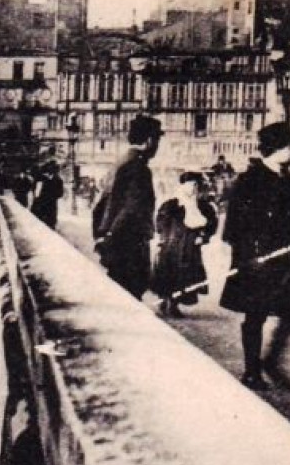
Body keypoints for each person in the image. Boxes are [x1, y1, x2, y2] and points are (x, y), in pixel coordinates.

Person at [220, 121, 290, 389]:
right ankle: (251, 371)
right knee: (255, 315)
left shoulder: (289, 181)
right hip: (257, 261)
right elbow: (233, 227)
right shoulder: (249, 181)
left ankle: (270, 360)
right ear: (278, 148)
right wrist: (251, 257)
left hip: (288, 261)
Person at [92, 113, 162, 298]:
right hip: (129, 249)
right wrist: (113, 239)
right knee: (130, 297)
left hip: (116, 247)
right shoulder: (139, 168)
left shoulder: (119, 162)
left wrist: (102, 237)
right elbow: (132, 210)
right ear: (149, 141)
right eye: (157, 141)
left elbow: (99, 205)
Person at [151, 171, 219, 317]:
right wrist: (163, 238)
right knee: (168, 273)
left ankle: (174, 304)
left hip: (190, 247)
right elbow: (160, 223)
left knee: (185, 276)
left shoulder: (203, 206)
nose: (193, 188)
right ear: (182, 186)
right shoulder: (171, 204)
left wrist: (203, 236)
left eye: (195, 185)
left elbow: (212, 224)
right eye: (190, 185)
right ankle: (165, 300)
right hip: (172, 246)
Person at [30, 160, 65, 229]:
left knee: (50, 226)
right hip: (41, 207)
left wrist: (51, 196)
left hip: (49, 207)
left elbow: (60, 193)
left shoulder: (58, 180)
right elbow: (36, 193)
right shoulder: (40, 179)